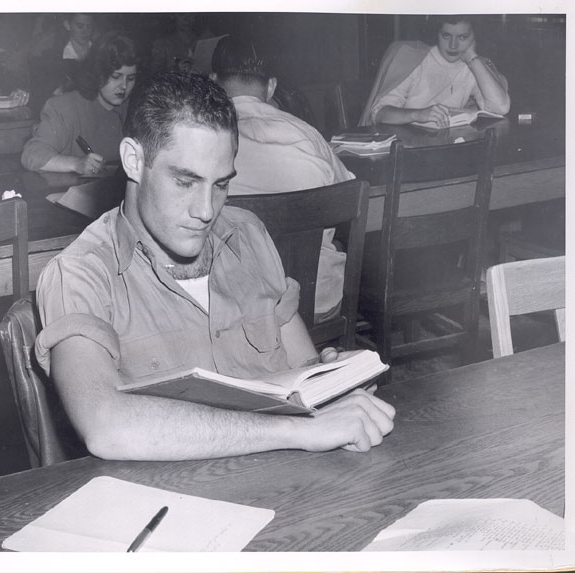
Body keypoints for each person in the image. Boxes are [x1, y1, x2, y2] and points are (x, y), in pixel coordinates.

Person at [33, 71, 395, 461]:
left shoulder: (248, 234)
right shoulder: (81, 273)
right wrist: (299, 430)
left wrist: (330, 382)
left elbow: (302, 365)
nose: (206, 211)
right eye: (185, 182)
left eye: (221, 185)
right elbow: (105, 425)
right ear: (134, 161)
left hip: (287, 476)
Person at [210, 35, 354, 323]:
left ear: (213, 82)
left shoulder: (204, 141)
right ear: (271, 86)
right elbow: (349, 196)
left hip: (239, 309)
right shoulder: (308, 134)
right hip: (317, 301)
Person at [21, 31, 137, 176]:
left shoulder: (133, 107)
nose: (124, 86)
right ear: (98, 73)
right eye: (116, 77)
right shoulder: (65, 107)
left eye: (131, 78)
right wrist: (76, 164)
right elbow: (31, 155)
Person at [370, 16, 510, 128]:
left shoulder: (473, 66)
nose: (453, 45)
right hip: (406, 144)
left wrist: (472, 57)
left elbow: (500, 108)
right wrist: (418, 115)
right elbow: (379, 113)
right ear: (437, 34)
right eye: (446, 36)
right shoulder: (414, 59)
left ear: (474, 38)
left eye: (462, 37)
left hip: (448, 143)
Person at [27, 13, 95, 115]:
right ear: (67, 25)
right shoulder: (55, 57)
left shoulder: (99, 52)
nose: (85, 32)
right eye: (80, 26)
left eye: (89, 27)